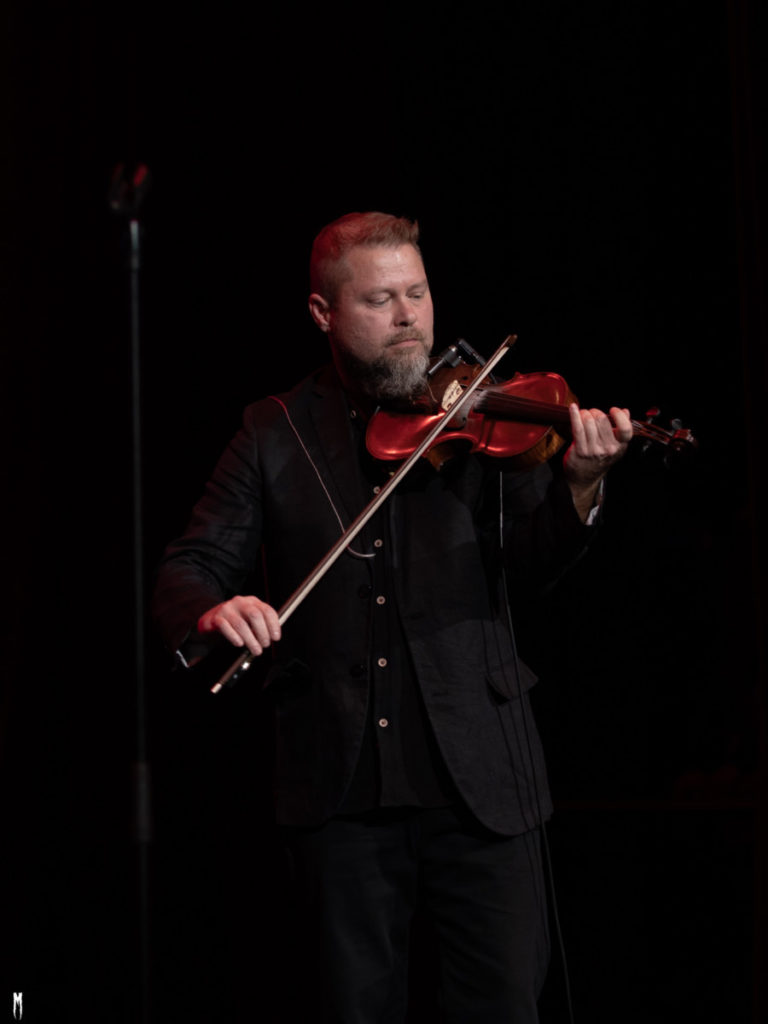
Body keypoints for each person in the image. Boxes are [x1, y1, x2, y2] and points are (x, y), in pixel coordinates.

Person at [152, 211, 632, 1022]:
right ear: (323, 313)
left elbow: (534, 569)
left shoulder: (485, 411)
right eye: (380, 299)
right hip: (339, 797)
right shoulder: (273, 429)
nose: (409, 316)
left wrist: (581, 484)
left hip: (483, 784)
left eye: (418, 292)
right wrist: (212, 609)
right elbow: (189, 567)